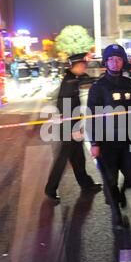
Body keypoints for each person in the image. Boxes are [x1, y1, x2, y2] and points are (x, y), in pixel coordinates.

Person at [87, 44, 131, 229]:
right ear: (106, 62)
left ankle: (122, 192)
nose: (115, 62)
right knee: (109, 179)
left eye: (118, 58)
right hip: (107, 142)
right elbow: (91, 117)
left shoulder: (128, 84)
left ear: (123, 61)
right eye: (111, 59)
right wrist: (94, 143)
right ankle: (116, 216)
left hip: (127, 139)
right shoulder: (98, 87)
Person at [44, 53, 102, 203]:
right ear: (76, 65)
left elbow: (87, 79)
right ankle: (50, 189)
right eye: (83, 64)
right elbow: (64, 106)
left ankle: (86, 184)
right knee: (63, 160)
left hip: (72, 125)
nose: (85, 66)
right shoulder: (69, 82)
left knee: (78, 158)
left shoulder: (73, 78)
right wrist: (73, 129)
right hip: (69, 127)